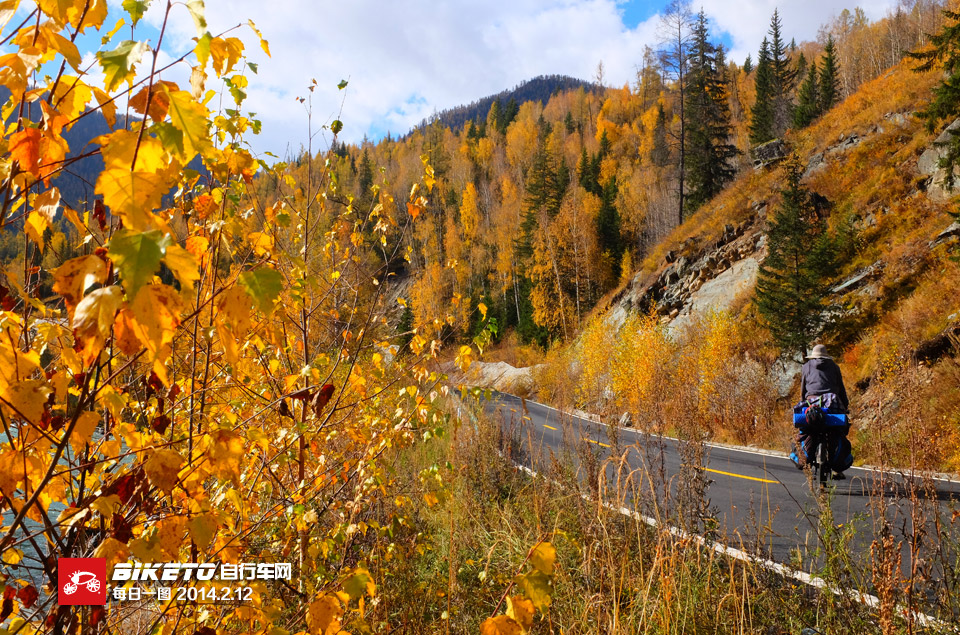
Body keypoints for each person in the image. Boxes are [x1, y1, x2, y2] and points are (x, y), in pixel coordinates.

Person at [792, 344, 853, 477]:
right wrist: (845, 406)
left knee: (807, 430)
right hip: (832, 403)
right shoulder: (834, 367)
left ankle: (807, 458)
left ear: (813, 356)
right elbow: (841, 389)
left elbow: (803, 389)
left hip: (811, 403)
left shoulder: (806, 366)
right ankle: (837, 469)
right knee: (839, 431)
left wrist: (803, 404)